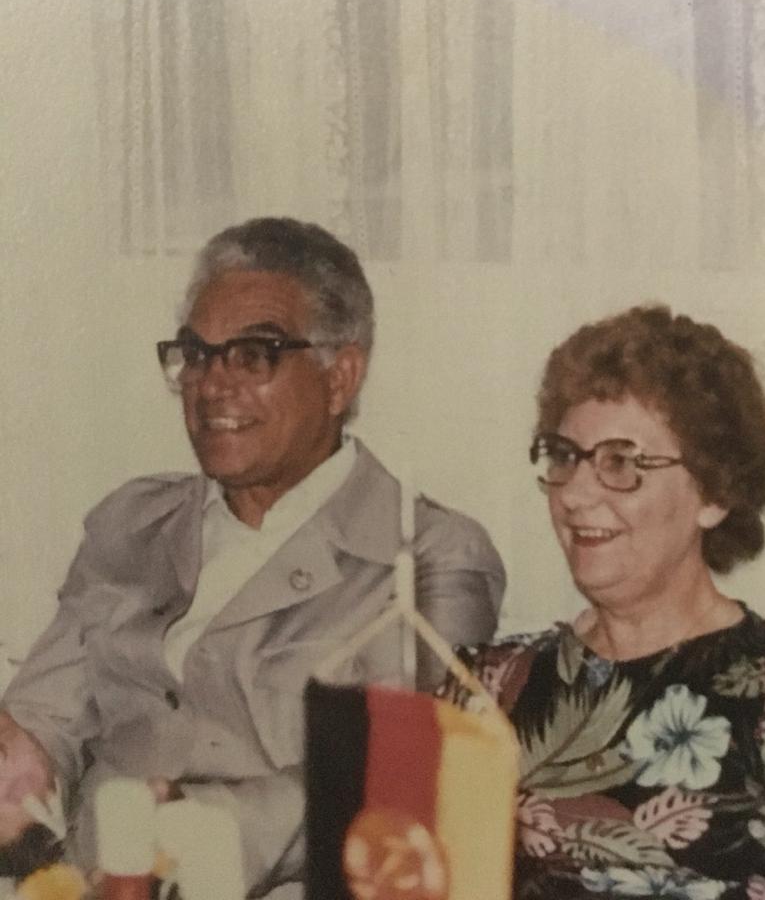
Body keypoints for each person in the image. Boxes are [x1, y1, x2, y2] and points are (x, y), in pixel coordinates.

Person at [0, 217, 506, 897]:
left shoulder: (429, 557)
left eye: (254, 354)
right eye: (197, 354)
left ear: (340, 376)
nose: (212, 384)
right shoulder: (131, 523)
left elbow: (397, 780)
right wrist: (25, 764)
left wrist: (193, 832)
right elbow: (44, 721)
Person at [443, 306, 765, 900]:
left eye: (620, 463)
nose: (575, 494)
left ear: (713, 494)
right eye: (564, 456)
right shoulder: (489, 690)